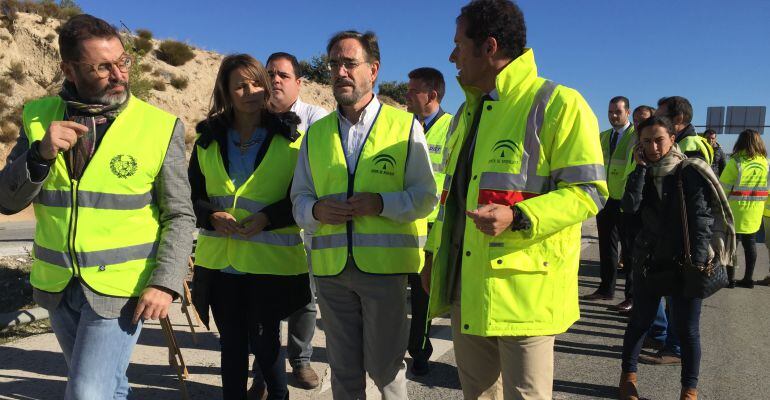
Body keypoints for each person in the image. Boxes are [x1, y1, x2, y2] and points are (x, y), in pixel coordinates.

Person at [0, 14, 194, 399]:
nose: (120, 75)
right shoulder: (38, 117)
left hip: (121, 289)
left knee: (87, 392)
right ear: (68, 69)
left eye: (123, 61)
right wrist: (39, 156)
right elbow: (7, 201)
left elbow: (180, 214)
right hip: (57, 286)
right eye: (102, 67)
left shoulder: (159, 126)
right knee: (109, 386)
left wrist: (165, 282)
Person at [421, 1, 607, 398]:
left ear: (489, 47)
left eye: (458, 44)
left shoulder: (559, 104)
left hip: (524, 297)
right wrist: (434, 258)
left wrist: (519, 215)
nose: (452, 56)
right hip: (466, 287)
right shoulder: (466, 114)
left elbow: (589, 192)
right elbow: (450, 199)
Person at [291, 31, 436, 399]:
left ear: (373, 69)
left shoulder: (404, 127)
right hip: (330, 272)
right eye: (334, 64)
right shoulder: (317, 133)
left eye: (349, 63)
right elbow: (299, 200)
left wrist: (381, 204)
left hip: (384, 272)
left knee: (387, 371)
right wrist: (316, 210)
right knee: (344, 373)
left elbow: (425, 197)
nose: (340, 71)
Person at [189, 54, 310, 400]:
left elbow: (302, 198)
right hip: (219, 265)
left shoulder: (292, 140)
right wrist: (212, 215)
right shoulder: (207, 141)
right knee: (231, 347)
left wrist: (268, 218)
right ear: (225, 92)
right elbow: (192, 197)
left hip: (269, 267)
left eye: (257, 82)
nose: (252, 91)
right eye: (241, 85)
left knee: (266, 343)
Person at [619, 116, 716, 400]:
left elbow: (701, 221)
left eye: (659, 139)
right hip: (649, 261)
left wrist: (697, 266)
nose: (653, 147)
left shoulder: (691, 171)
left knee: (687, 330)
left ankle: (689, 390)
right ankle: (628, 377)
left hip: (684, 261)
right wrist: (638, 170)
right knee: (640, 322)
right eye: (646, 141)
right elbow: (630, 206)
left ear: (673, 139)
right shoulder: (643, 173)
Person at [255, 51, 329, 391]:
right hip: (260, 226)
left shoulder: (317, 120)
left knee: (303, 298)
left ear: (299, 82)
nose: (275, 80)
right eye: (270, 73)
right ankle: (264, 370)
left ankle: (300, 360)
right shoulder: (251, 117)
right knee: (262, 301)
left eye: (283, 75)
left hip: (302, 226)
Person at [404, 66, 454, 376]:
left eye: (412, 92)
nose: (406, 96)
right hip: (405, 221)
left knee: (423, 294)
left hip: (434, 225)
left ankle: (419, 351)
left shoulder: (453, 127)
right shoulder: (403, 126)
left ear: (431, 95)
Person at [583, 97, 636, 312]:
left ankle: (631, 297)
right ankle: (606, 289)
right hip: (604, 199)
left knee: (630, 251)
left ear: (628, 113)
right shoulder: (603, 137)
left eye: (618, 112)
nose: (614, 115)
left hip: (626, 201)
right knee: (606, 247)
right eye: (611, 112)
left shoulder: (636, 136)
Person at [719, 129, 768, 289]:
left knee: (732, 245)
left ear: (740, 142)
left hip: (734, 210)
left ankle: (730, 280)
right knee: (750, 243)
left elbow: (723, 188)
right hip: (755, 210)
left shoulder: (736, 162)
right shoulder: (765, 163)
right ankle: (748, 279)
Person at [656, 96, 713, 164]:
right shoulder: (689, 141)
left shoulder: (692, 149)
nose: (654, 123)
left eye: (660, 118)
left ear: (678, 118)